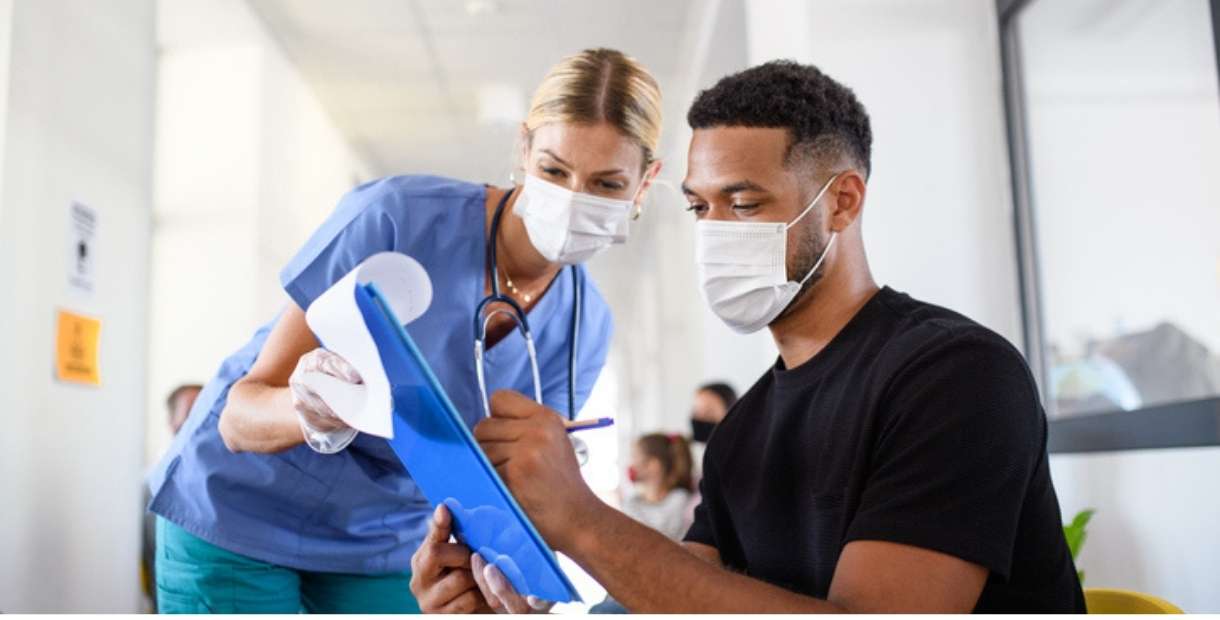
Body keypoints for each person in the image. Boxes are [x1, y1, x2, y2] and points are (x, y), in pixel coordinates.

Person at [411, 60, 1086, 613]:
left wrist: (579, 517)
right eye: (701, 206)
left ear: (843, 201)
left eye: (745, 202)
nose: (715, 231)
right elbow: (676, 598)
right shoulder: (743, 430)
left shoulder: (954, 376)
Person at [145, 48, 663, 614]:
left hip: (383, 546)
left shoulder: (586, 327)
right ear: (524, 148)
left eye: (606, 185)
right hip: (238, 513)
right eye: (554, 170)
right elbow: (239, 417)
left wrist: (522, 576)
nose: (570, 201)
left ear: (645, 182)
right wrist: (311, 410)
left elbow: (507, 490)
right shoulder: (396, 217)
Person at [141, 383, 202, 612]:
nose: (199, 421)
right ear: (171, 422)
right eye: (189, 412)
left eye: (204, 410)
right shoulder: (150, 483)